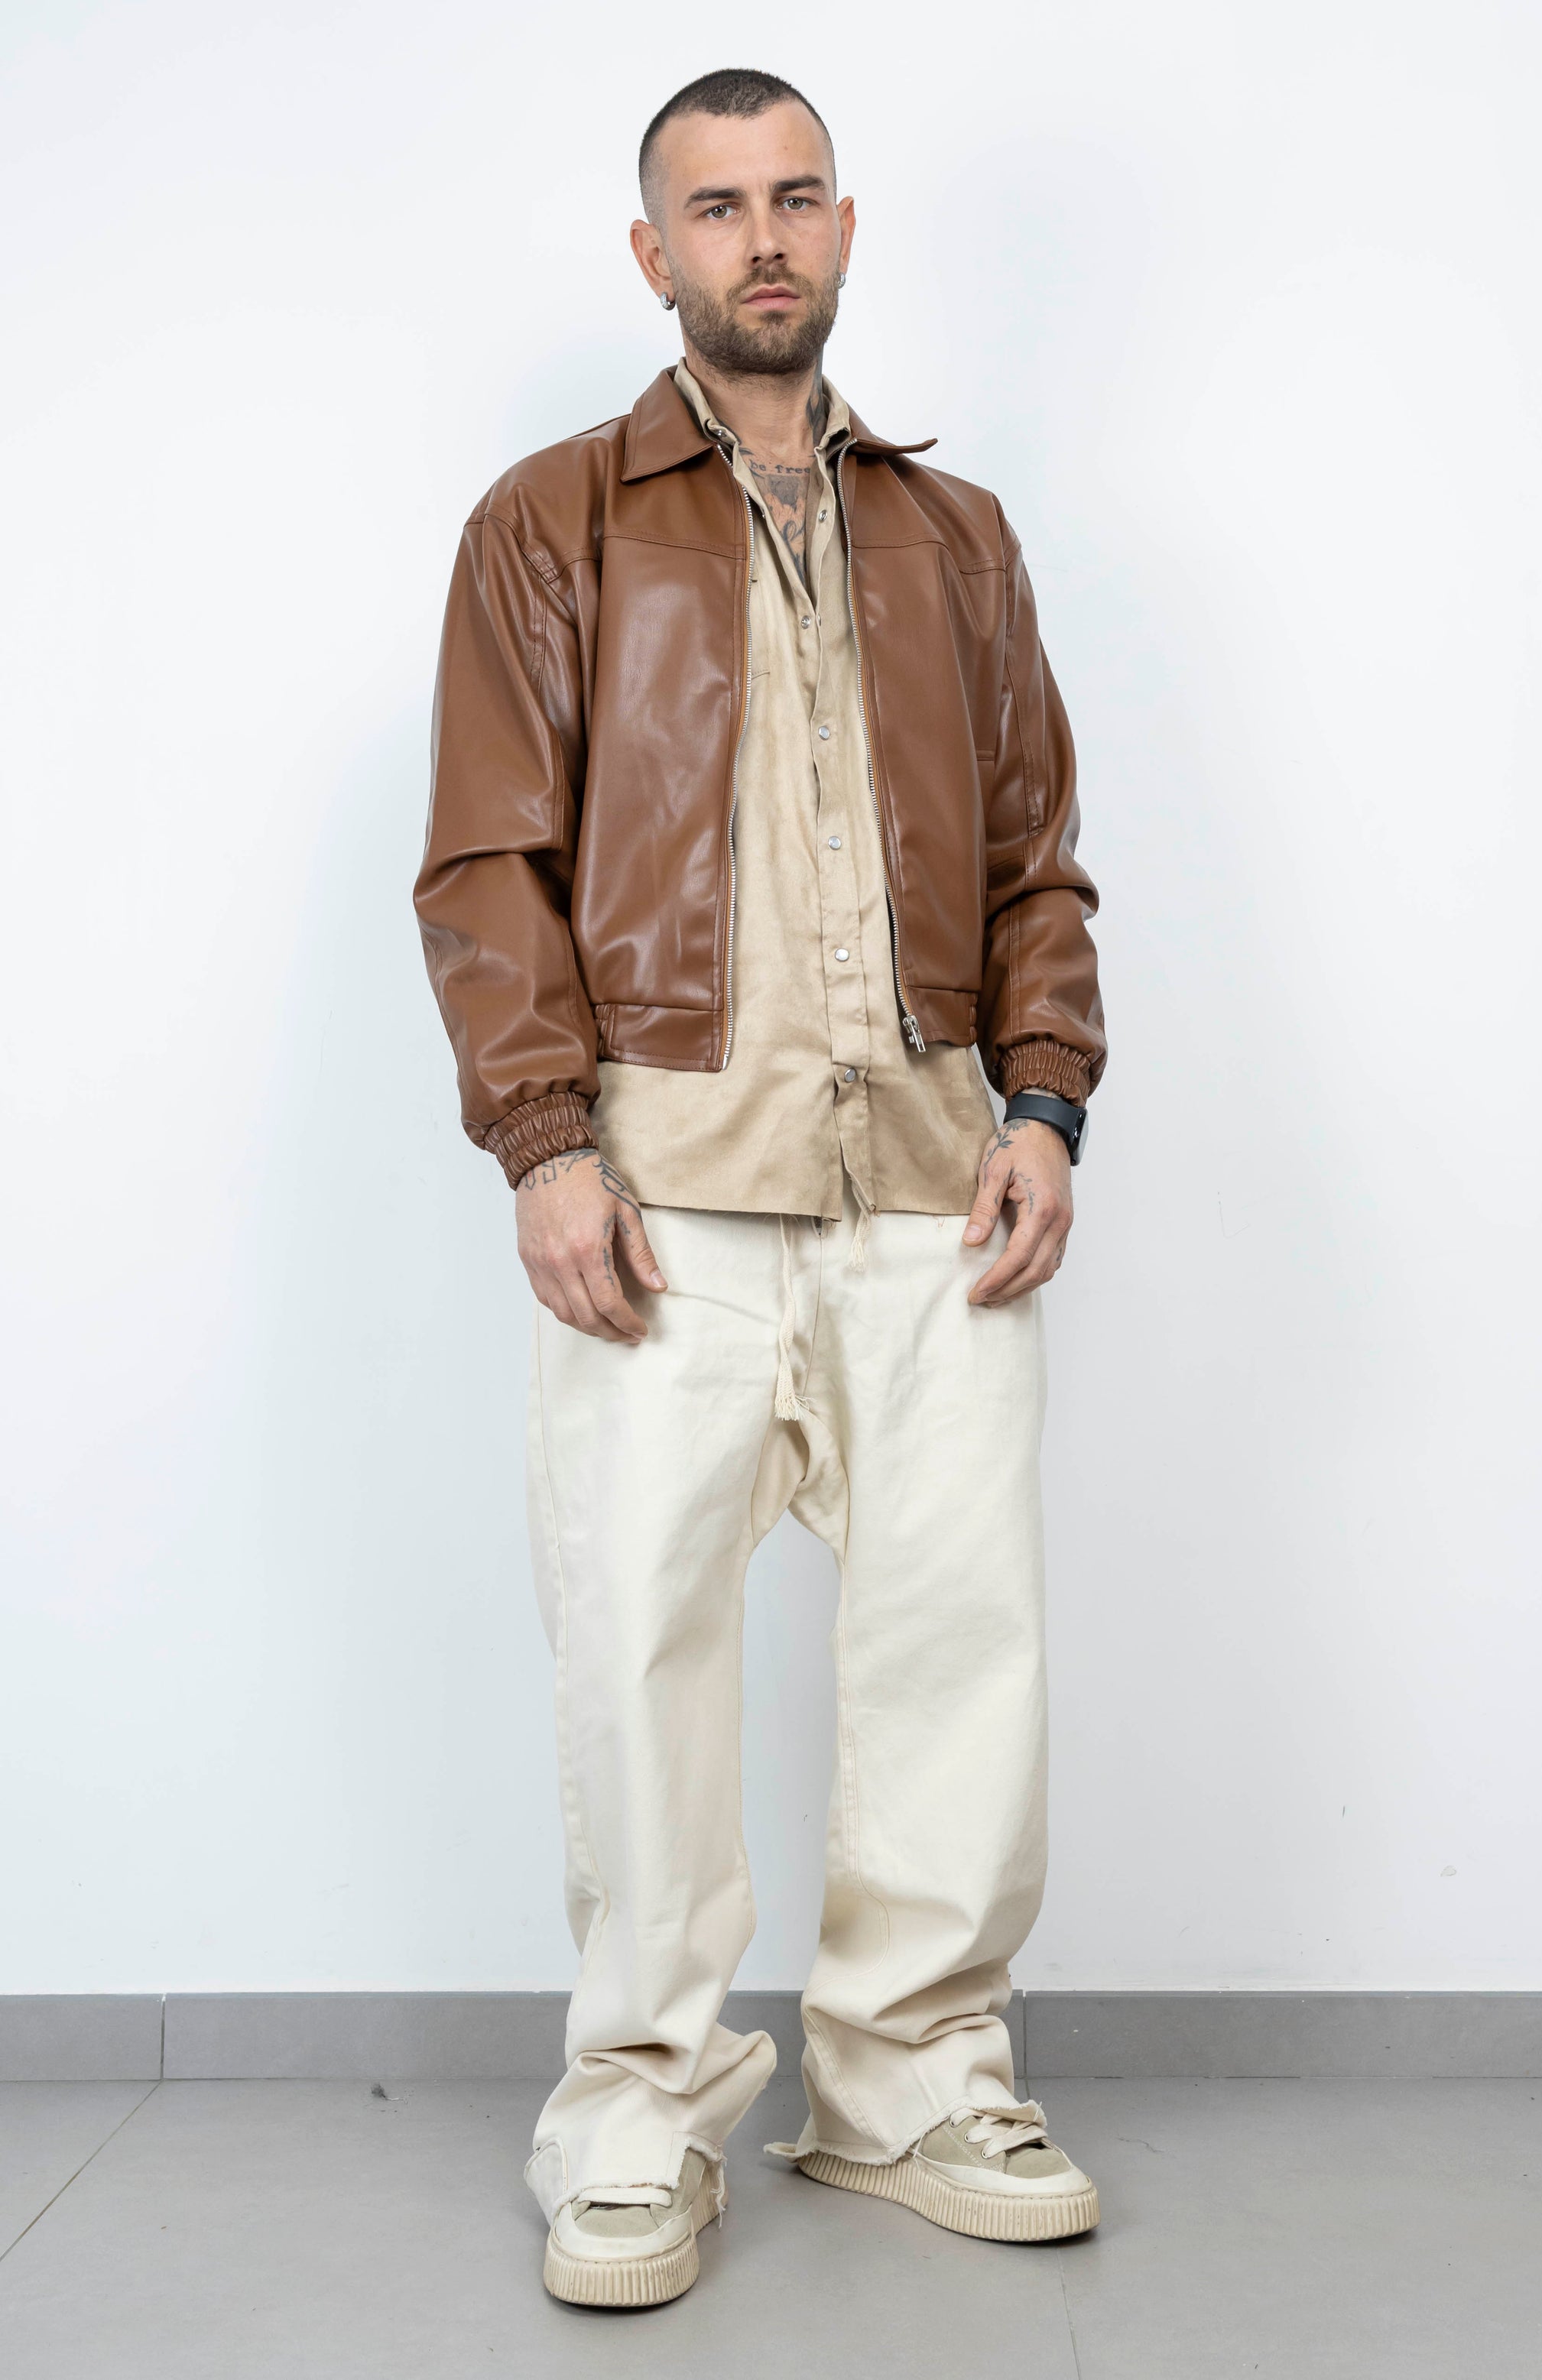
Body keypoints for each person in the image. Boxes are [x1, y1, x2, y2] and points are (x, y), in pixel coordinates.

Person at [414, 66, 1108, 2308]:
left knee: (955, 1651)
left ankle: (910, 2080)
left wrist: (1045, 1104)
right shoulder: (554, 523)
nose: (765, 237)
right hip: (666, 1196)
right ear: (656, 255)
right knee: (645, 1659)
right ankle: (635, 2108)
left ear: (845, 223)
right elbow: (488, 865)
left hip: (931, 1184)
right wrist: (544, 1142)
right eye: (716, 207)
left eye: (797, 195)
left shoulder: (956, 538)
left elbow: (1036, 862)